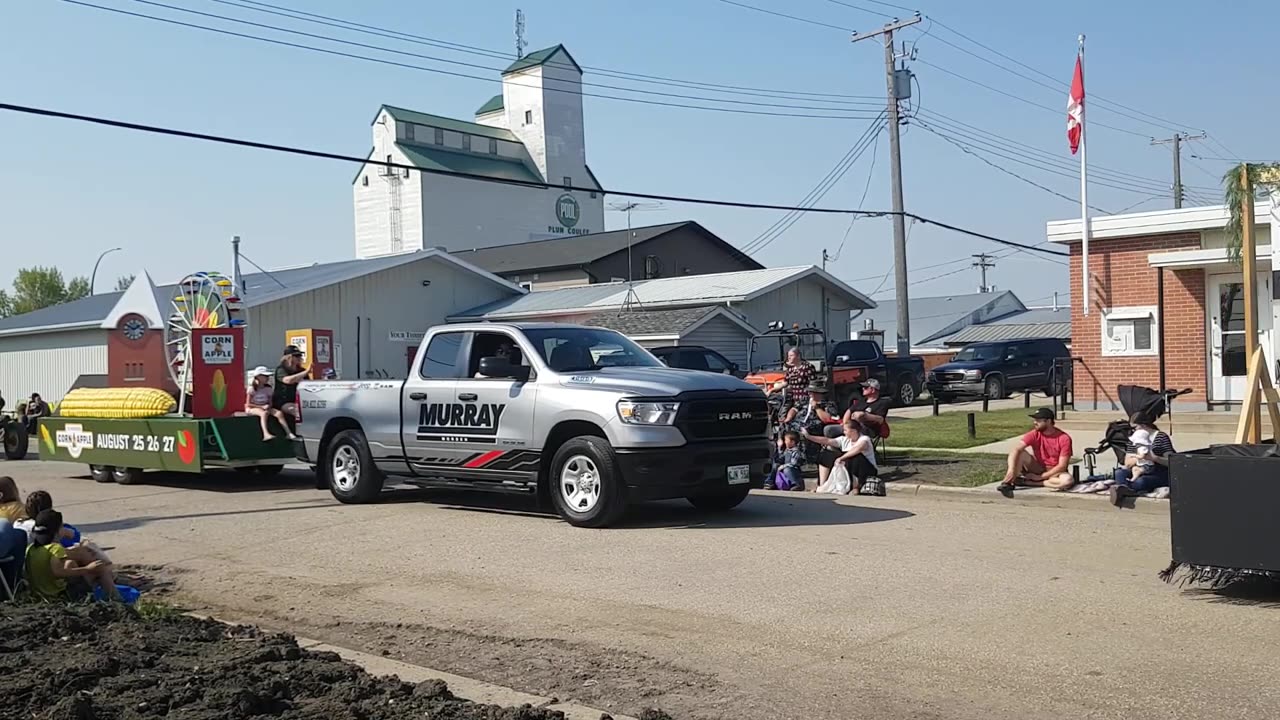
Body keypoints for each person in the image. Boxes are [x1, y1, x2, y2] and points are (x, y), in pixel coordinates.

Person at [25, 509, 120, 601]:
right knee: (100, 570)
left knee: (71, 563)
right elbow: (59, 572)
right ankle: (117, 599)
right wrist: (87, 569)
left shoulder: (31, 548)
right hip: (58, 594)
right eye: (62, 526)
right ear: (57, 531)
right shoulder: (55, 548)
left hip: (39, 593)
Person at [999, 408, 1074, 496]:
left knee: (1068, 481)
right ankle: (1008, 482)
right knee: (1020, 453)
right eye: (1034, 420)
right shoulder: (1034, 434)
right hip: (1038, 468)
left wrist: (1039, 478)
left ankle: (1030, 483)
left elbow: (1062, 466)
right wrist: (1011, 470)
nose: (1035, 422)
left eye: (1038, 420)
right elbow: (1016, 449)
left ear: (1048, 421)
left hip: (1055, 472)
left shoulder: (1064, 438)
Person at [1110, 414, 1175, 506]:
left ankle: (1124, 489)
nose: (1133, 430)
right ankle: (1126, 489)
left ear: (1143, 425)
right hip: (1138, 469)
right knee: (1119, 473)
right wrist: (1138, 458)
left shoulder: (1160, 437)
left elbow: (1171, 461)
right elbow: (1127, 463)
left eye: (1135, 427)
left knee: (1141, 481)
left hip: (1157, 471)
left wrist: (1154, 458)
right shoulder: (1134, 439)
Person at [804, 418, 879, 495]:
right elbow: (828, 440)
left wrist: (842, 458)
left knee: (855, 456)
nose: (844, 432)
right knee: (826, 454)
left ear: (853, 431)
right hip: (848, 468)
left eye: (845, 430)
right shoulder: (844, 440)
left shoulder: (864, 439)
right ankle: (822, 485)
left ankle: (856, 487)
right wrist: (809, 437)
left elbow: (859, 448)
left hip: (867, 470)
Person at [246, 366, 296, 442]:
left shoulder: (268, 389)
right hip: (253, 408)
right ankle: (265, 434)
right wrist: (261, 406)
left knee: (279, 413)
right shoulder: (252, 389)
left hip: (265, 407)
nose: (267, 378)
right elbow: (248, 404)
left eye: (268, 376)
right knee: (264, 413)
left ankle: (288, 433)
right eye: (265, 376)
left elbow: (270, 402)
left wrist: (269, 406)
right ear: (258, 377)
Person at [272, 346, 309, 422]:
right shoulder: (281, 369)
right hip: (283, 401)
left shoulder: (301, 370)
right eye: (296, 356)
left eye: (300, 355)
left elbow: (308, 385)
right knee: (298, 412)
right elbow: (287, 380)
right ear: (289, 357)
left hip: (299, 400)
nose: (299, 357)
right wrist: (305, 373)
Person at [782, 347, 816, 411]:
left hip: (805, 399)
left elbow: (813, 384)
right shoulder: (790, 369)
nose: (789, 357)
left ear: (798, 356)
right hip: (792, 399)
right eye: (788, 356)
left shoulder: (807, 367)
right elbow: (785, 383)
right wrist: (771, 390)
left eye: (791, 355)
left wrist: (812, 399)